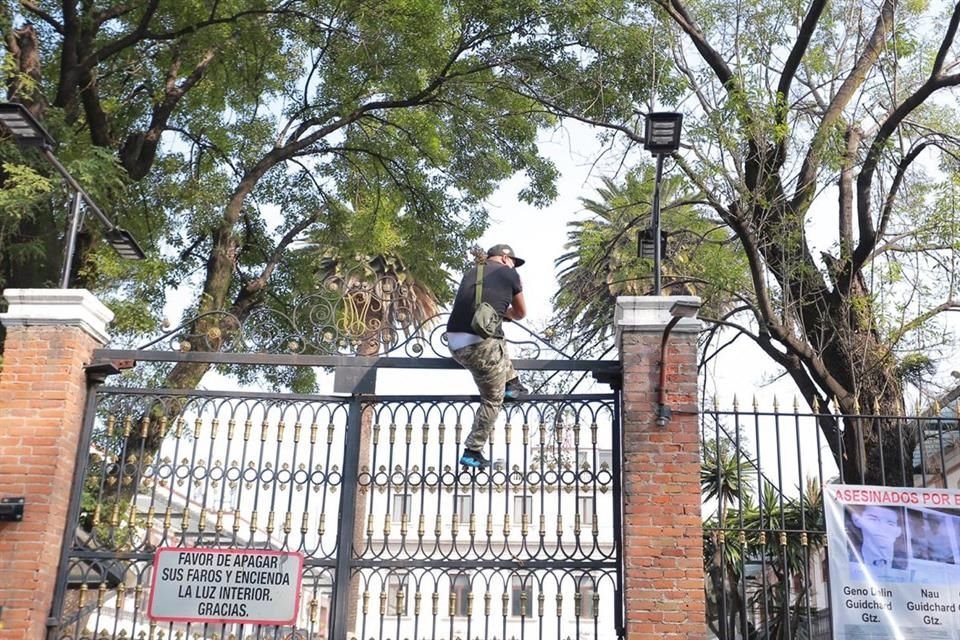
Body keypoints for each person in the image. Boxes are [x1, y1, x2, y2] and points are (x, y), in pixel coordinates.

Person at [446, 244, 528, 468]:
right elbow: (521, 313)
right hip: (479, 347)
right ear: (504, 258)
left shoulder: (471, 273)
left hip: (453, 344)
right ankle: (472, 451)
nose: (513, 265)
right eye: (512, 261)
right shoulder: (511, 274)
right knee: (492, 399)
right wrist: (507, 314)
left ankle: (513, 383)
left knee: (498, 343)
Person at [847, 505, 909, 580]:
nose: (882, 527)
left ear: (898, 531)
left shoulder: (905, 564)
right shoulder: (847, 560)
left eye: (890, 523)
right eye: (873, 519)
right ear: (857, 520)